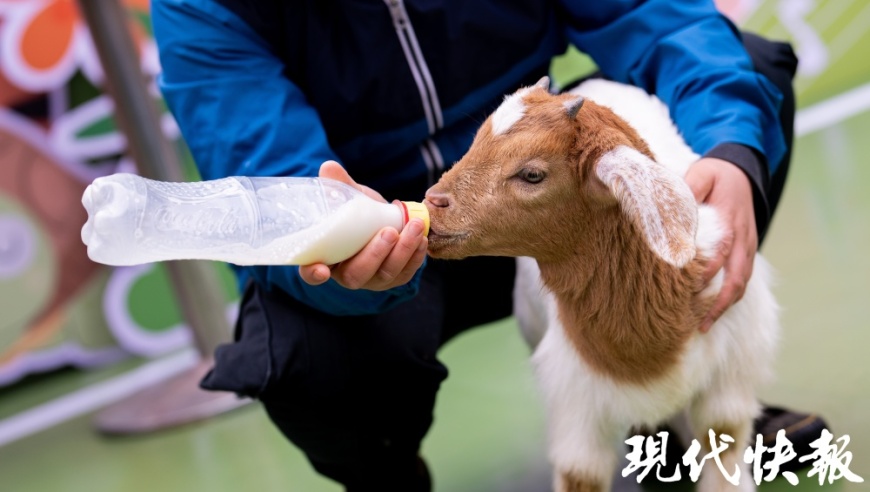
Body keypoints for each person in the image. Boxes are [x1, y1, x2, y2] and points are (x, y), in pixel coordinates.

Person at [150, 1, 826, 490]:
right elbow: (273, 178)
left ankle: (685, 398)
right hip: (388, 222)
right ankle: (386, 476)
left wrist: (733, 153)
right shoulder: (203, 7)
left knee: (746, 82)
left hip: (541, 180)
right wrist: (339, 248)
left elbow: (664, 20)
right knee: (305, 357)